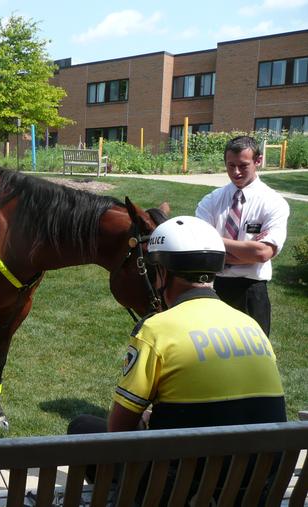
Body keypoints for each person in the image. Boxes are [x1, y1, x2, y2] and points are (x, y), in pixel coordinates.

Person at [68, 216, 286, 503]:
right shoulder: (251, 326)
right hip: (256, 487)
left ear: (161, 274)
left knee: (82, 427)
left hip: (180, 490)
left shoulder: (156, 329)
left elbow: (117, 433)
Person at [196, 135, 290, 337]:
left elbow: (263, 253)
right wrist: (247, 251)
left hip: (251, 292)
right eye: (231, 165)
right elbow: (200, 247)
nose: (236, 172)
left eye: (243, 165)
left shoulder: (273, 202)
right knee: (210, 357)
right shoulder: (211, 200)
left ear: (258, 161)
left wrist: (215, 242)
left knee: (254, 359)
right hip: (213, 289)